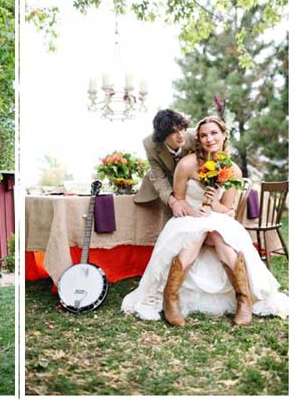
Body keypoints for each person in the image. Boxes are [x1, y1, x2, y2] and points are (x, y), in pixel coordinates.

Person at [122, 115, 288, 326]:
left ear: (224, 135)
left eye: (214, 133)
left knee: (219, 234)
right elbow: (180, 199)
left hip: (217, 218)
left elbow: (227, 209)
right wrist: (195, 210)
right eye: (203, 135)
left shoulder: (233, 170)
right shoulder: (187, 164)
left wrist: (212, 200)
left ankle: (243, 300)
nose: (209, 139)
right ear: (198, 139)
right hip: (189, 215)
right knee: (196, 232)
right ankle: (170, 298)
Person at [134, 109, 196, 220]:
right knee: (171, 220)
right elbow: (159, 178)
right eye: (173, 132)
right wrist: (174, 203)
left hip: (191, 185)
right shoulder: (150, 145)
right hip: (167, 184)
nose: (180, 135)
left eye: (181, 129)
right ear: (163, 136)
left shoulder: (194, 137)